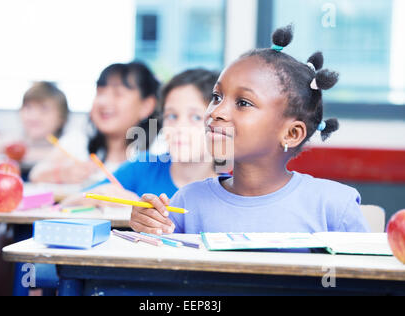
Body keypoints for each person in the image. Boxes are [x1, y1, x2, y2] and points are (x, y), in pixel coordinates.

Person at [129, 25, 370, 235]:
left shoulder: (334, 206)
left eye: (243, 103)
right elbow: (166, 279)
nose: (216, 112)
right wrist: (148, 228)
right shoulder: (186, 202)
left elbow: (366, 284)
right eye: (216, 97)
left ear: (291, 134)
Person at [62, 69, 221, 207]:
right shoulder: (142, 167)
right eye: (172, 116)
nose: (179, 128)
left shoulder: (233, 183)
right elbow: (67, 204)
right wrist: (100, 195)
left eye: (195, 117)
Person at [29, 62, 160, 185]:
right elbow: (35, 175)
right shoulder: (78, 142)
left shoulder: (158, 151)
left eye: (118, 94)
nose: (103, 101)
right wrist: (62, 174)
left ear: (146, 106)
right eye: (100, 92)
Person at [0, 81, 69, 162]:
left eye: (44, 109)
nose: (33, 116)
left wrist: (17, 153)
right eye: (28, 107)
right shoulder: (14, 140)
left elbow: (63, 156)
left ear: (61, 118)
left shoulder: (69, 142)